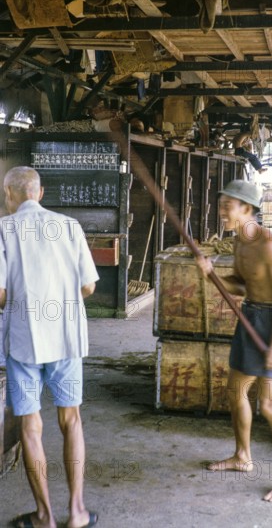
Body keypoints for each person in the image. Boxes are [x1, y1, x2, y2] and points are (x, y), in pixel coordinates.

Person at [0, 167, 99, 528]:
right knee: (71, 420)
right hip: (67, 339)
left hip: (23, 342)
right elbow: (88, 287)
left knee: (31, 425)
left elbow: (1, 295)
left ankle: (44, 516)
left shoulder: (3, 228)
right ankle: (76, 512)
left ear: (9, 195)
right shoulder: (69, 226)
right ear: (39, 194)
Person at [196, 179, 272, 502]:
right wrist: (211, 273)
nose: (222, 211)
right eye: (222, 204)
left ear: (247, 209)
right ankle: (243, 456)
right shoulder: (239, 242)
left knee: (269, 404)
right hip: (250, 316)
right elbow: (241, 286)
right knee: (235, 391)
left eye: (228, 206)